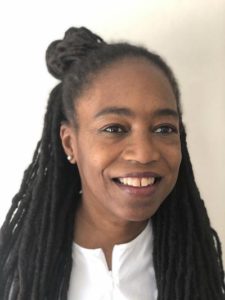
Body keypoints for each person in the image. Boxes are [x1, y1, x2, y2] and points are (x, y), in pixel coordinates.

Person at [0, 27, 224, 300]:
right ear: (70, 143)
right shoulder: (18, 275)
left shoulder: (194, 268)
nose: (143, 154)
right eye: (114, 128)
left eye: (164, 129)